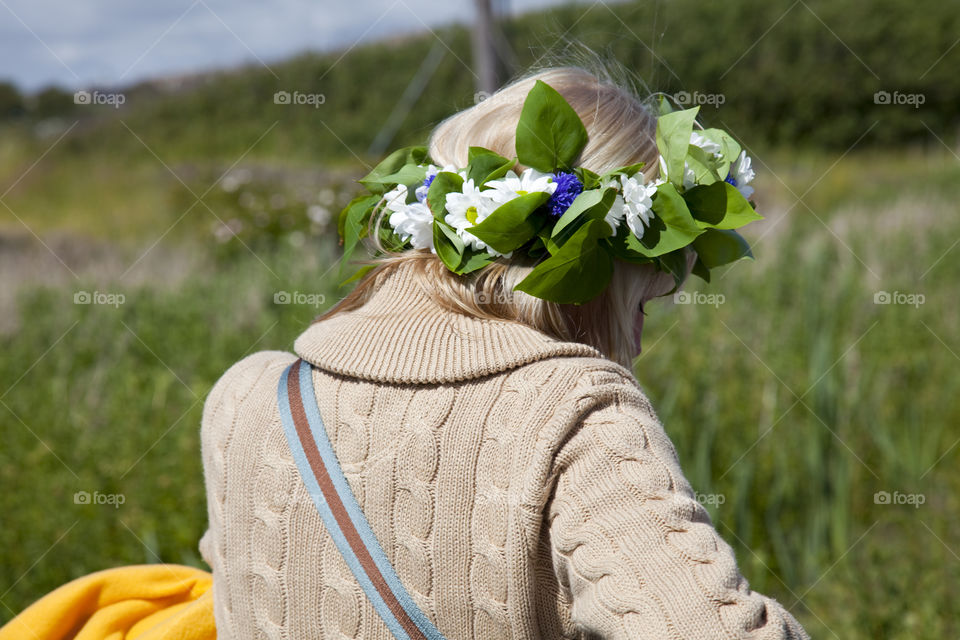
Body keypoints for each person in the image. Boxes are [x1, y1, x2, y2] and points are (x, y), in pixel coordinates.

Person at [195, 63, 810, 639]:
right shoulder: (577, 419)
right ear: (591, 265)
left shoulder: (247, 396)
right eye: (646, 300)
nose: (642, 340)